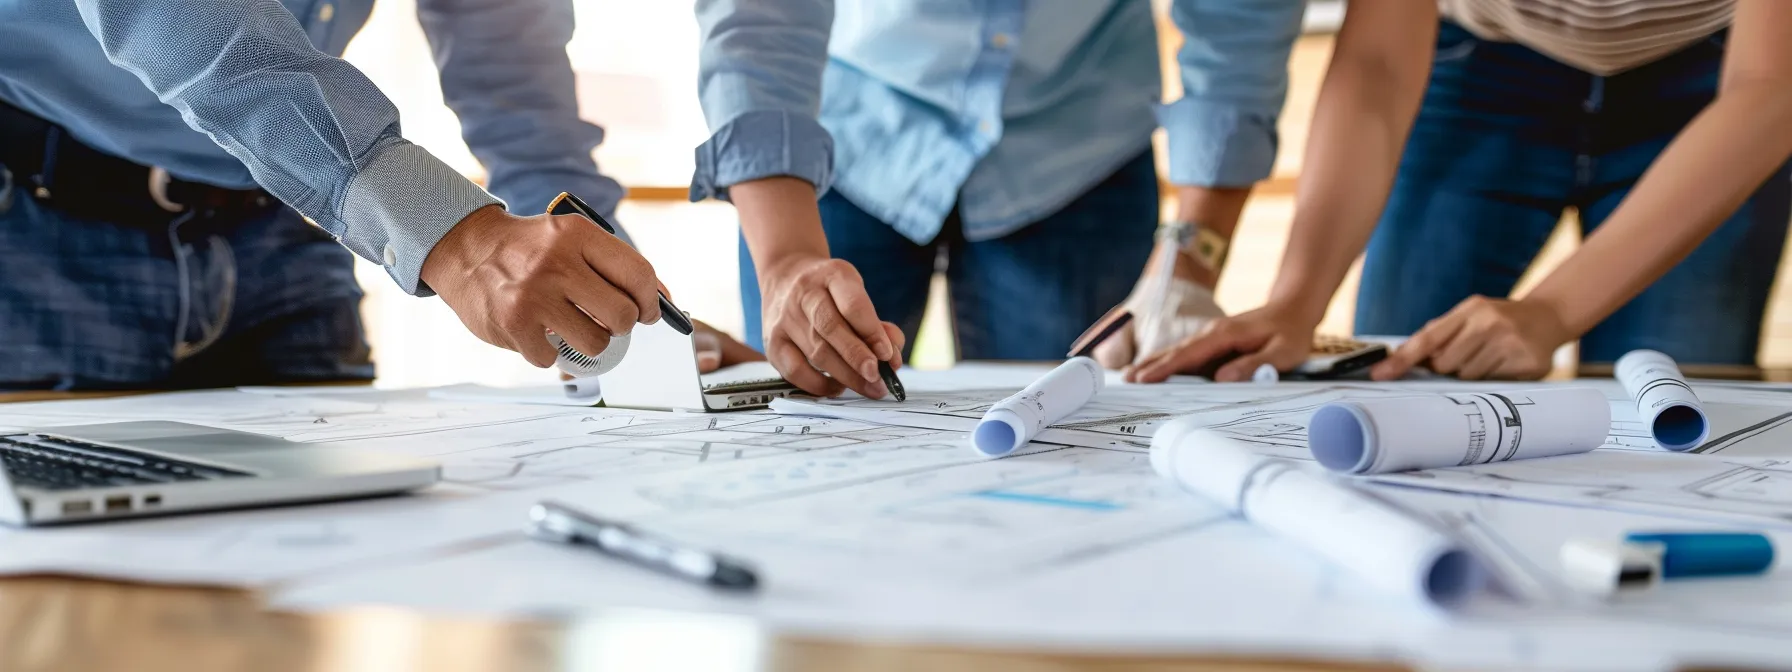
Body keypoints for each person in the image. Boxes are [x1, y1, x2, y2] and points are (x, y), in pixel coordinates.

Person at [0, 0, 755, 390]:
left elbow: (510, 60)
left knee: (308, 599)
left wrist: (609, 297)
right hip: (37, 232)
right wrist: (459, 239)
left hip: (279, 227)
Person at [1129, 0, 1792, 383]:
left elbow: (1771, 86)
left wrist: (1550, 314)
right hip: (1478, 67)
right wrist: (1297, 300)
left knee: (1674, 408)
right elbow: (1380, 65)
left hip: (1714, 81)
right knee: (1399, 386)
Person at [690, 0, 1309, 398]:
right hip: (847, 136)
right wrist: (786, 260)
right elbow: (760, 18)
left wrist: (1190, 262)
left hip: (1080, 142)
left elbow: (1243, 23)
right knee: (818, 422)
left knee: (1074, 452)